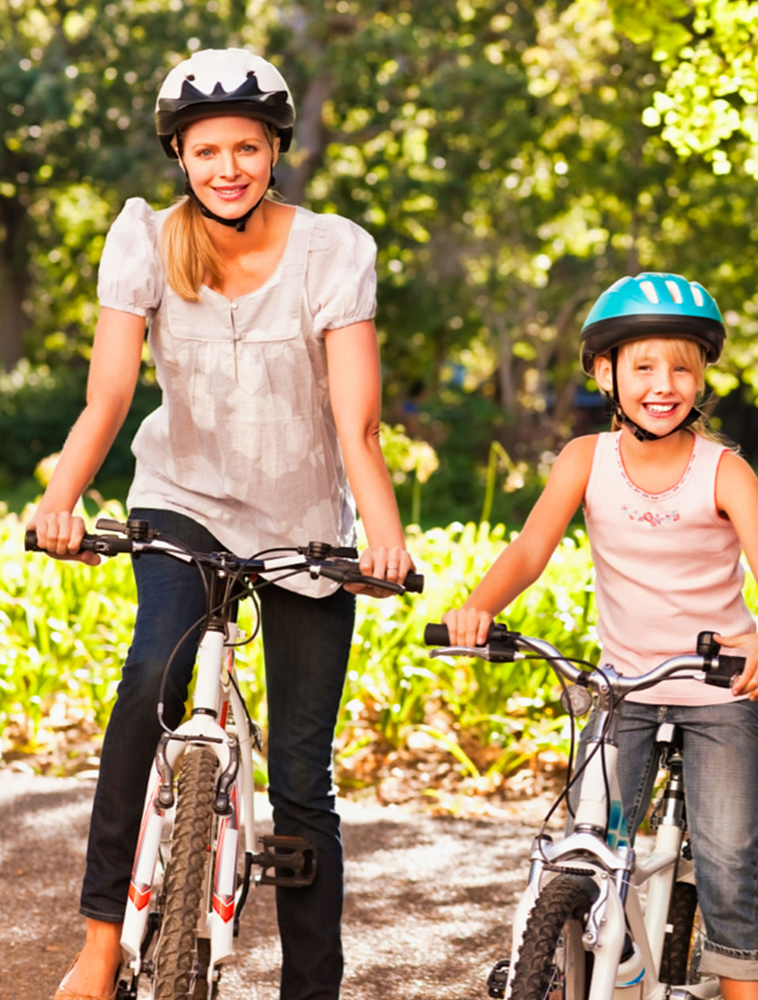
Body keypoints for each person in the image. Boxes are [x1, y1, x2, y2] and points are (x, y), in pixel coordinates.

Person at [28, 48, 415, 1000]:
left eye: (247, 147)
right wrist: (62, 499)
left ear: (276, 149)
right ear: (180, 155)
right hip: (184, 504)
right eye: (207, 151)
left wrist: (384, 534)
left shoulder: (333, 250)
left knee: (300, 780)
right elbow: (110, 394)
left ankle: (309, 987)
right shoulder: (148, 242)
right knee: (146, 686)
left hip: (303, 523)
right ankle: (97, 942)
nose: (228, 167)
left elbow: (356, 421)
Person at [442, 272, 758, 1000]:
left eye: (681, 367)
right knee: (593, 842)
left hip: (718, 689)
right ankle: (600, 959)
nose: (662, 383)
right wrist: (478, 606)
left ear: (701, 379)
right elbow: (529, 551)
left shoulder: (724, 471)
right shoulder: (586, 459)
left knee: (729, 861)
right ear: (606, 373)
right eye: (642, 366)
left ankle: (744, 987)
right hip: (624, 688)